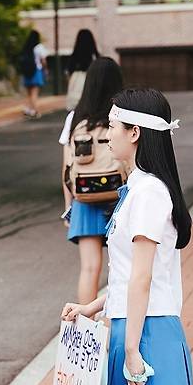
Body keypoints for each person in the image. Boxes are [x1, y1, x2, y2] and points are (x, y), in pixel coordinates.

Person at [61, 88, 193, 385]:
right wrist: (92, 307)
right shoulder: (139, 188)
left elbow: (143, 278)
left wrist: (133, 351)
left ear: (134, 132)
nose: (107, 134)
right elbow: (130, 278)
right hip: (135, 327)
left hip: (148, 332)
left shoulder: (148, 192)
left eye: (112, 125)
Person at [59, 56, 124, 304]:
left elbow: (67, 168)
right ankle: (120, 326)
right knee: (122, 266)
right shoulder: (121, 116)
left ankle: (89, 332)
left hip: (84, 199)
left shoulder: (75, 118)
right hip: (119, 198)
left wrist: (69, 207)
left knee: (89, 268)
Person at [65, 28, 99, 111]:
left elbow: (68, 74)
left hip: (75, 88)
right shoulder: (95, 57)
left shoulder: (74, 57)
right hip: (90, 91)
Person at [20, 30, 48, 117]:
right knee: (34, 92)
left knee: (29, 92)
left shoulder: (27, 46)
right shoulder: (39, 47)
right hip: (36, 71)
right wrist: (45, 69)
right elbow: (43, 60)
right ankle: (35, 110)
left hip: (27, 71)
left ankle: (29, 109)